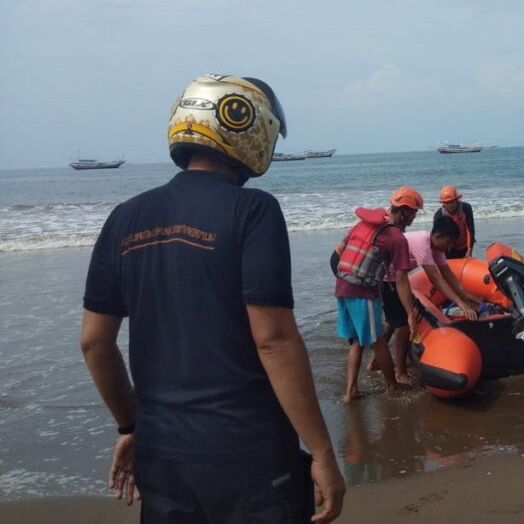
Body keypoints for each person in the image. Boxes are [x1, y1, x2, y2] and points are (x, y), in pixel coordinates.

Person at [80, 74, 345, 523]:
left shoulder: (124, 218)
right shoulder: (253, 210)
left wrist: (132, 426)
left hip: (161, 456)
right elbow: (273, 339)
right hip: (250, 456)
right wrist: (321, 451)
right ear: (249, 127)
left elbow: (93, 342)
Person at [332, 187, 420, 399]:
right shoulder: (397, 238)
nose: (414, 218)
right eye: (414, 213)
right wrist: (410, 312)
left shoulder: (364, 223)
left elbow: (339, 250)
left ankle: (351, 391)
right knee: (380, 342)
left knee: (356, 341)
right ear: (404, 212)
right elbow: (401, 279)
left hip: (341, 287)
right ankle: (392, 386)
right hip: (361, 291)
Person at [406, 215, 484, 319]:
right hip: (387, 274)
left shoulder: (437, 248)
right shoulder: (422, 244)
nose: (450, 247)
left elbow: (448, 275)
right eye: (448, 242)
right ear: (437, 236)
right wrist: (461, 304)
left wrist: (469, 296)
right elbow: (435, 278)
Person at [433, 185, 476, 259]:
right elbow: (436, 238)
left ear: (457, 200)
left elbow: (470, 230)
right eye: (447, 203)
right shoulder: (439, 215)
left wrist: (469, 250)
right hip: (449, 248)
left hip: (465, 246)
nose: (450, 205)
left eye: (452, 202)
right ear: (443, 204)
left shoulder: (466, 208)